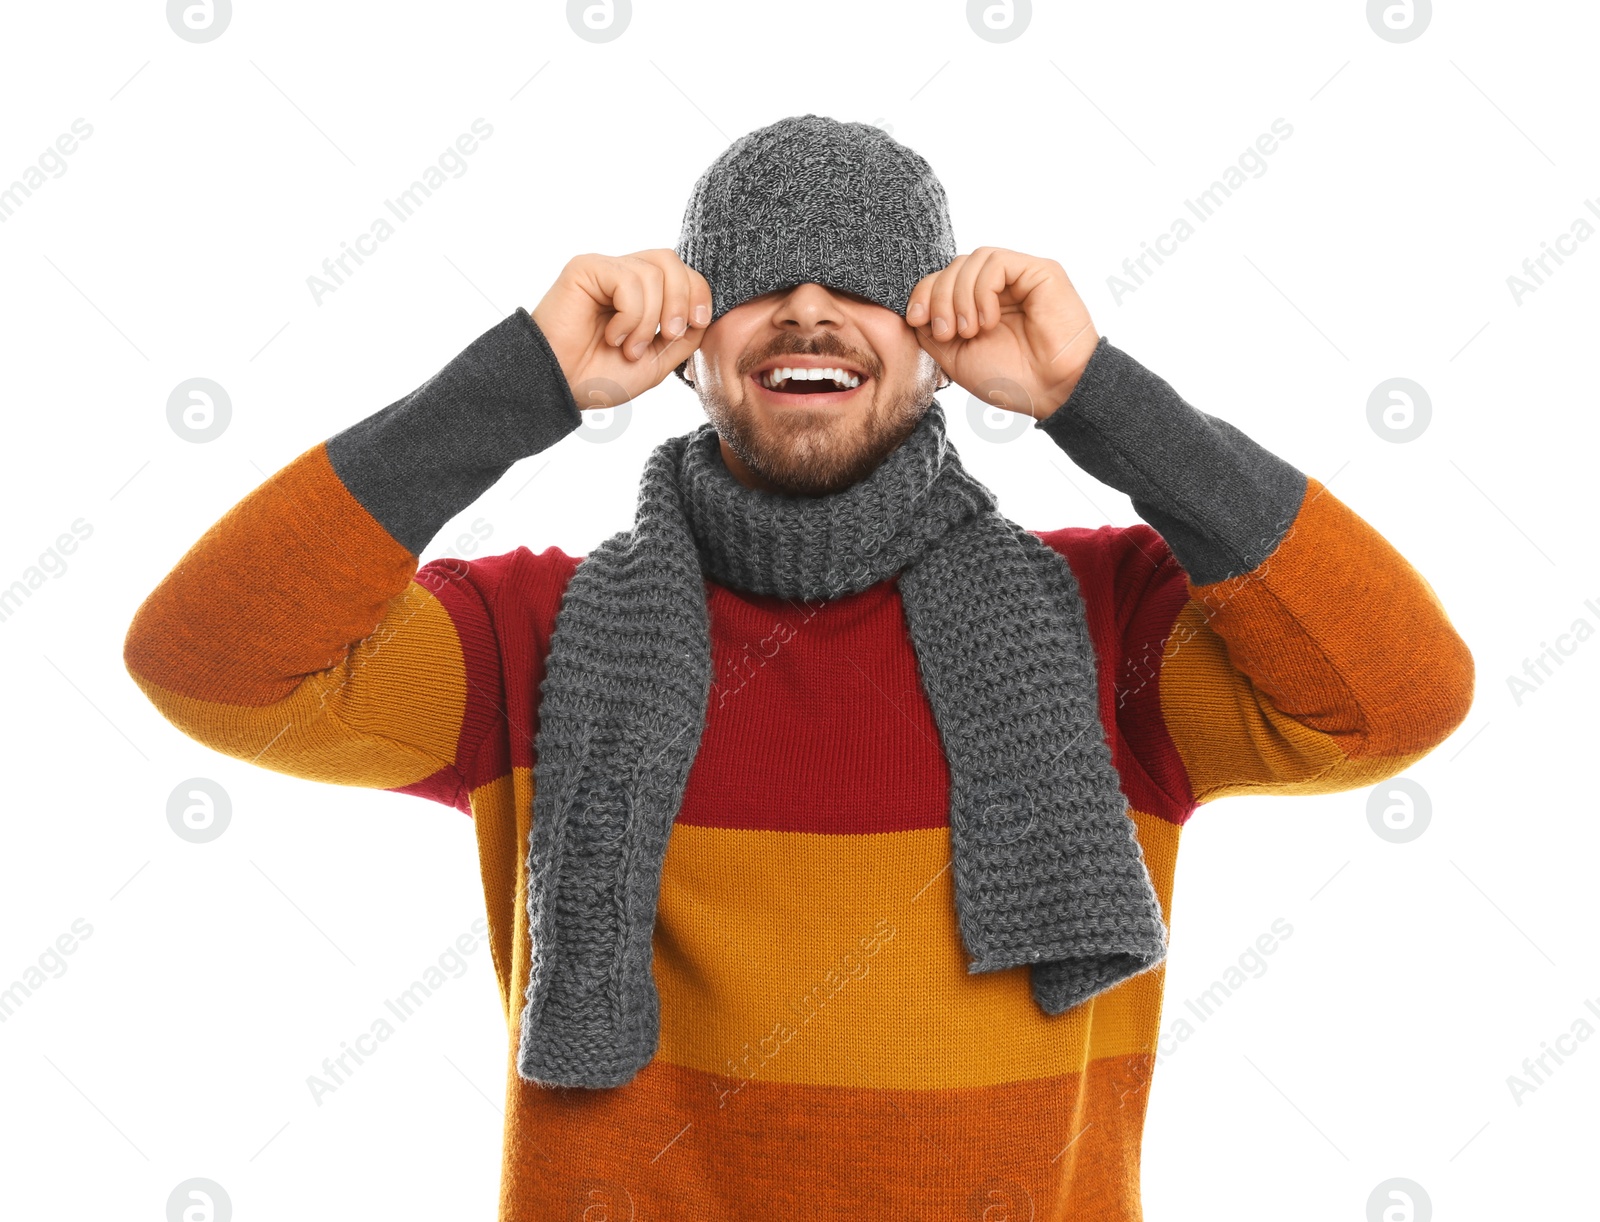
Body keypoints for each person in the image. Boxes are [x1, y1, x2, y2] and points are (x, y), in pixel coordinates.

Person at [124, 114, 1474, 1220]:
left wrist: (1095, 393)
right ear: (691, 346)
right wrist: (520, 380)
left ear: (936, 347)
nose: (814, 308)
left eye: (867, 283)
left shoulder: (1102, 626)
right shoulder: (534, 635)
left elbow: (1400, 694)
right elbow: (208, 662)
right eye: (763, 282)